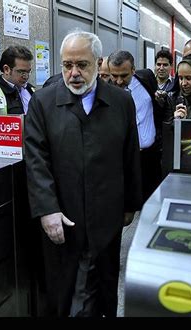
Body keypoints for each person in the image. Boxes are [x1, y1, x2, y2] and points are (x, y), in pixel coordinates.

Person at [24, 30, 142, 317]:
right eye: (67, 65)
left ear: (98, 63)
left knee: (104, 281)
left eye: (82, 65)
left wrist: (130, 205)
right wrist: (47, 209)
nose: (74, 73)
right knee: (68, 288)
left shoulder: (121, 102)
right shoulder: (44, 103)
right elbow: (36, 158)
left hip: (106, 215)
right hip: (64, 217)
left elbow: (131, 155)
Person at [108, 50, 163, 202]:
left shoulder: (147, 78)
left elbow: (157, 106)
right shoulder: (106, 93)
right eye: (114, 76)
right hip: (125, 159)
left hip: (150, 156)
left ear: (133, 70)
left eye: (124, 76)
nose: (119, 81)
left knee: (152, 200)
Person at [0, 45, 35, 114]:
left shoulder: (31, 90)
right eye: (21, 72)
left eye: (28, 71)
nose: (26, 77)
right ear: (6, 69)